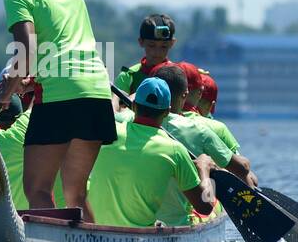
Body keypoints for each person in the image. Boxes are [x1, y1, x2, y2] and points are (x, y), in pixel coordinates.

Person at [0, 0, 115, 220]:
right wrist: (32, 77)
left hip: (60, 97)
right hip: (97, 91)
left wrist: (5, 95)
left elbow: (27, 49)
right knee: (75, 192)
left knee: (37, 188)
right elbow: (62, 46)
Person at [86, 77, 216, 227]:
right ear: (167, 112)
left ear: (133, 105)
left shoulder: (109, 131)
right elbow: (205, 207)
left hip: (95, 231)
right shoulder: (175, 150)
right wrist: (204, 171)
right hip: (141, 240)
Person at [146, 63, 258, 188]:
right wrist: (205, 169)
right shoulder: (204, 130)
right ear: (189, 93)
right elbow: (243, 170)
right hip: (195, 201)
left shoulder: (126, 120)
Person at [112, 14, 176, 100]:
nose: (157, 52)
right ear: (141, 42)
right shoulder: (128, 76)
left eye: (164, 46)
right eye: (151, 45)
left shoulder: (178, 76)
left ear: (172, 43)